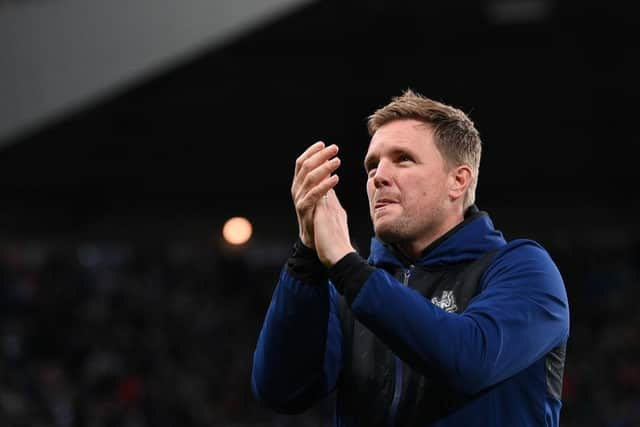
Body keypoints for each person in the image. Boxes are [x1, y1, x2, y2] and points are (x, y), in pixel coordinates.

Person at [251, 90, 570, 426]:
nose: (379, 176)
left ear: (458, 181)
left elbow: (470, 360)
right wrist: (305, 259)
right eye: (372, 165)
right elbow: (281, 391)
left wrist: (349, 268)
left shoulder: (522, 268)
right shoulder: (350, 288)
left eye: (403, 159)